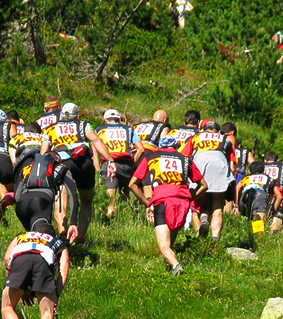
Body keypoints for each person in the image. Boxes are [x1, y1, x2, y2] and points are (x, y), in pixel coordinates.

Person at [128, 136, 207, 276]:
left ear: (160, 146)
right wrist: (189, 198)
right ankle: (171, 266)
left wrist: (148, 203)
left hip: (162, 200)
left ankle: (175, 265)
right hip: (182, 202)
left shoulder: (151, 157)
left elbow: (132, 184)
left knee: (164, 245)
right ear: (175, 147)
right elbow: (203, 185)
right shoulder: (185, 159)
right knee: (171, 240)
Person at [40, 102, 112, 243]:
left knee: (61, 202)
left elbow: (43, 152)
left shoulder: (49, 129)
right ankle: (80, 237)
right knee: (86, 200)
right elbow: (96, 140)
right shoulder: (84, 125)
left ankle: (63, 236)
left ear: (61, 115)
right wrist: (110, 160)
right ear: (77, 115)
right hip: (83, 162)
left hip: (63, 163)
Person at [0, 222, 70, 319]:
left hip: (20, 259)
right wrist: (55, 295)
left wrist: (21, 286)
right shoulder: (58, 242)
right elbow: (64, 269)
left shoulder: (22, 236)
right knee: (47, 314)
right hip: (43, 260)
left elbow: (7, 258)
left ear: (35, 232)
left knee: (7, 306)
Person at [183, 120, 235, 240]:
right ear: (218, 131)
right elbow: (232, 166)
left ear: (204, 130)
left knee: (202, 203)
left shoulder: (195, 137)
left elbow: (184, 157)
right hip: (219, 165)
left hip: (199, 166)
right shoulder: (224, 139)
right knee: (217, 205)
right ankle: (215, 239)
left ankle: (204, 219)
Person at [95, 108, 144, 220]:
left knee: (109, 200)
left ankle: (108, 222)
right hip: (127, 165)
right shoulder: (128, 129)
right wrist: (133, 163)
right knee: (125, 195)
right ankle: (123, 219)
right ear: (120, 120)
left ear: (105, 121)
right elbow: (141, 149)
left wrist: (98, 169)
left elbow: (94, 150)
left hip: (109, 164)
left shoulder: (99, 130)